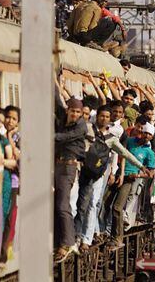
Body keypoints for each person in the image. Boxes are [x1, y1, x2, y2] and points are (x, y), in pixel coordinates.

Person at [74, 105, 147, 251]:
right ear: (97, 116)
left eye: (107, 117)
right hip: (83, 172)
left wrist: (141, 166)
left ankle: (86, 239)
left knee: (93, 204)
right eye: (102, 116)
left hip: (98, 175)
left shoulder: (112, 138)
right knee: (81, 205)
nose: (104, 119)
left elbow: (124, 153)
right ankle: (77, 235)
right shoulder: (87, 129)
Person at [108, 122, 155, 248]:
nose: (146, 136)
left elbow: (151, 173)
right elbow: (122, 154)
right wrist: (120, 172)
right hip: (117, 174)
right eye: (145, 133)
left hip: (130, 179)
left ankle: (117, 238)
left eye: (149, 134)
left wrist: (138, 176)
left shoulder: (149, 153)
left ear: (152, 137)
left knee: (117, 207)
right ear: (141, 132)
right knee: (105, 204)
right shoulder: (129, 141)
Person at [54, 91, 89, 262]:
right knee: (55, 204)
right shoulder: (63, 115)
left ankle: (68, 242)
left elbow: (63, 137)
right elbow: (56, 98)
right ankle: (58, 240)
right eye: (72, 111)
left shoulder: (81, 127)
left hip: (68, 168)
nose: (74, 114)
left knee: (62, 205)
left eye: (78, 112)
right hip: (56, 164)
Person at [0, 105, 21, 267]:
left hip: (13, 182)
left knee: (8, 217)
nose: (10, 121)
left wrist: (11, 137)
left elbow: (18, 159)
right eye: (8, 117)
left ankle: (5, 250)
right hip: (2, 179)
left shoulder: (19, 137)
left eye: (14, 119)